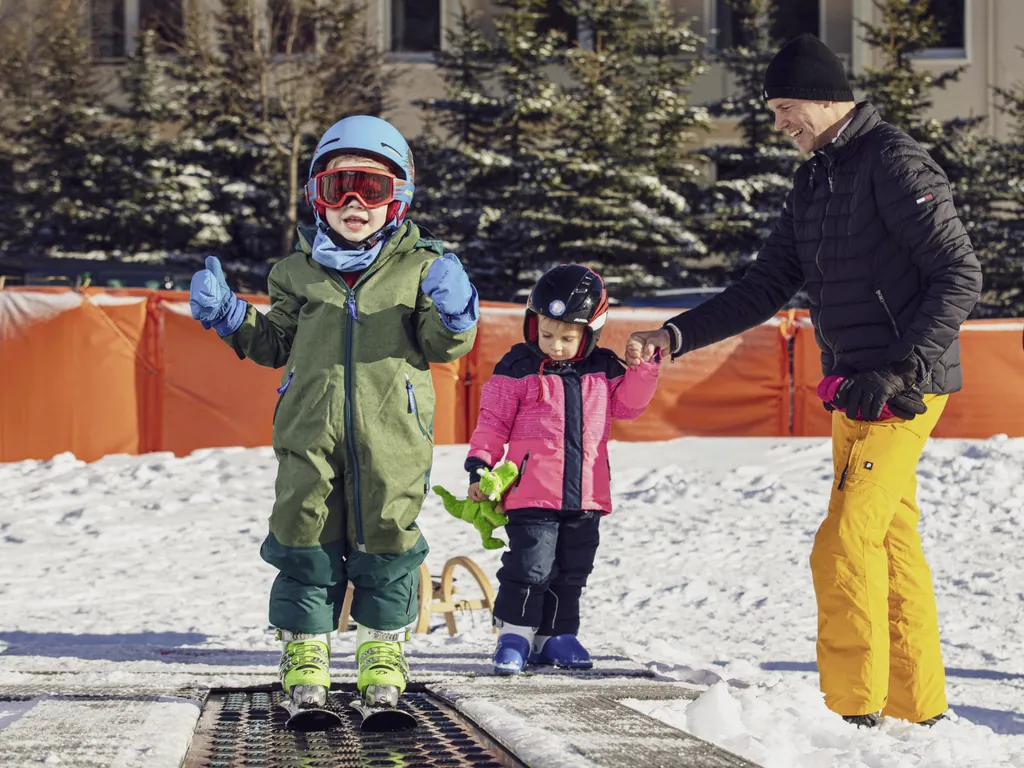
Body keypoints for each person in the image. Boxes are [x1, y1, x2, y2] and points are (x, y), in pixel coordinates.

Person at [625, 33, 982, 728]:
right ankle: (918, 704)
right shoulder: (814, 177)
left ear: (825, 98)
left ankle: (855, 709)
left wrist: (899, 367)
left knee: (846, 538)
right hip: (854, 387)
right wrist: (675, 336)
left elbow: (959, 273)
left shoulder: (894, 162)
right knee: (888, 539)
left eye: (786, 107)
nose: (779, 122)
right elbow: (764, 286)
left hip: (902, 386)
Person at [187, 115, 480, 710]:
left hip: (393, 439)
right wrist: (229, 317)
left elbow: (442, 346)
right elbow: (274, 344)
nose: (353, 203)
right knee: (304, 539)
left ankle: (381, 653)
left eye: (369, 189)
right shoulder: (295, 273)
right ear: (315, 198)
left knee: (388, 541)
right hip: (307, 434)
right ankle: (306, 654)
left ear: (398, 197)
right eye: (336, 187)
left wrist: (456, 312)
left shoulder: (422, 268)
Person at [465, 264, 661, 675]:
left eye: (567, 338)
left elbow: (630, 405)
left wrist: (643, 368)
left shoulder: (604, 369)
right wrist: (480, 465)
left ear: (590, 333)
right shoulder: (517, 366)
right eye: (547, 334)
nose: (555, 345)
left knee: (572, 569)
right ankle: (515, 634)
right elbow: (493, 420)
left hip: (586, 493)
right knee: (531, 565)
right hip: (530, 491)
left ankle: (555, 636)